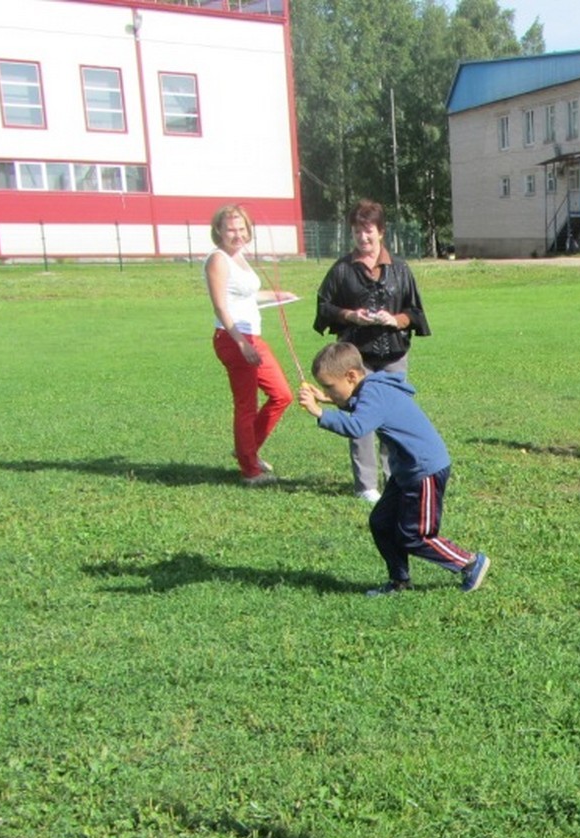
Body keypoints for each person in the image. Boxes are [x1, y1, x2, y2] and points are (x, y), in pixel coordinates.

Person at [296, 343, 490, 596]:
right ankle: (399, 582)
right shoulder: (372, 388)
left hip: (424, 470)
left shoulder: (374, 392)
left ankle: (470, 563)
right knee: (382, 522)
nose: (327, 391)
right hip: (406, 471)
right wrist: (332, 399)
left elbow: (358, 427)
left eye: (330, 387)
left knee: (416, 535)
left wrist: (320, 413)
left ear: (352, 376)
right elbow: (363, 408)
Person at [314, 199, 432, 504]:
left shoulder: (400, 269)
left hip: (394, 357)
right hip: (357, 360)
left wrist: (396, 320)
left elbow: (415, 311)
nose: (363, 238)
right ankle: (366, 484)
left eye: (368, 232)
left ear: (381, 232)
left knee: (394, 418)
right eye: (357, 233)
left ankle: (395, 476)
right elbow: (324, 306)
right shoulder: (342, 270)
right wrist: (349, 316)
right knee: (361, 418)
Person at [205, 204, 295, 486]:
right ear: (218, 231)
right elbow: (221, 306)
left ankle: (246, 449)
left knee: (282, 395)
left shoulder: (240, 257)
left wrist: (278, 294)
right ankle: (249, 470)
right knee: (246, 404)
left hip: (253, 337)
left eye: (242, 228)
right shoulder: (218, 260)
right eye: (231, 229)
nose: (237, 234)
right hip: (233, 339)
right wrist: (241, 343)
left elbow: (247, 295)